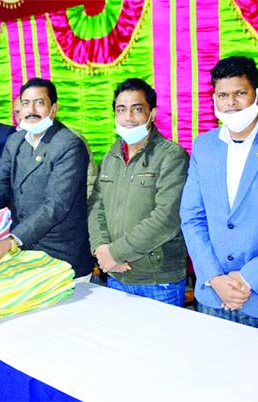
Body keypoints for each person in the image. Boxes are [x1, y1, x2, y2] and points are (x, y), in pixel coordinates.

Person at [180, 57, 258, 329]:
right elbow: (192, 217)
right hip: (213, 295)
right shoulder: (204, 147)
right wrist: (215, 277)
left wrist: (248, 278)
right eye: (223, 95)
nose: (231, 103)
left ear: (257, 95)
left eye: (240, 93)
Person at [0, 78, 95, 280]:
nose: (31, 110)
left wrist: (12, 239)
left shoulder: (69, 144)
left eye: (39, 102)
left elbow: (55, 205)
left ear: (54, 108)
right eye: (25, 103)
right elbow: (0, 185)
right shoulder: (15, 141)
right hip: (27, 254)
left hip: (61, 256)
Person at [88, 78, 189, 306]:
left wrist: (115, 253)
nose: (128, 118)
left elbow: (166, 218)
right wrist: (102, 249)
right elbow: (96, 206)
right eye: (121, 110)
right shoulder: (111, 155)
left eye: (137, 109)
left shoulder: (171, 156)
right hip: (115, 275)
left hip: (157, 281)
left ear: (151, 114)